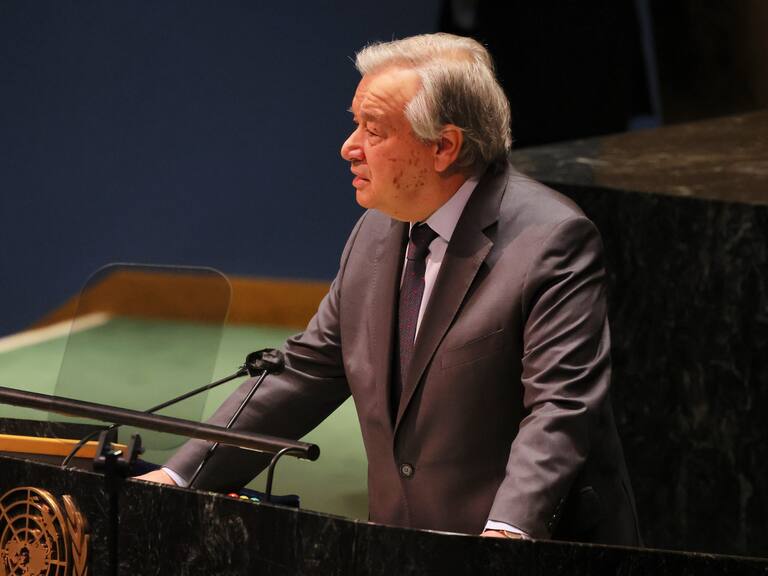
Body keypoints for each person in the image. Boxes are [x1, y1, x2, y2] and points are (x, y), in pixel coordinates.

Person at [139, 33, 640, 544]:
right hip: (403, 544)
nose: (348, 147)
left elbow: (560, 409)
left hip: (531, 549)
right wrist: (178, 478)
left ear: (444, 147)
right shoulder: (377, 230)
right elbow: (309, 368)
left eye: (372, 130)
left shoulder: (551, 240)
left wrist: (506, 538)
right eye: (355, 122)